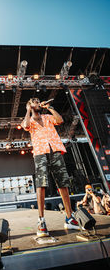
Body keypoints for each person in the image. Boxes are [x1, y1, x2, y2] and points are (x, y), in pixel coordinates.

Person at [21, 98, 79, 237]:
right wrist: (28, 110)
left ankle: (69, 217)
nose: (37, 102)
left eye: (38, 101)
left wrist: (50, 107)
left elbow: (59, 121)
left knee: (63, 183)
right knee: (41, 185)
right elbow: (25, 125)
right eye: (34, 101)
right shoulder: (29, 120)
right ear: (29, 105)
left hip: (55, 150)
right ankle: (41, 220)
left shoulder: (47, 116)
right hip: (40, 153)